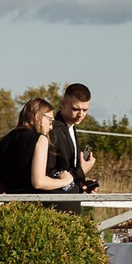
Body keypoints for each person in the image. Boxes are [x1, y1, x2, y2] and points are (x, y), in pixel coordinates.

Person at [0, 98, 71, 196]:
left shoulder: (0, 143)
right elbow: (39, 182)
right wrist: (65, 181)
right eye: (50, 120)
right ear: (37, 116)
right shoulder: (40, 139)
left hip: (10, 207)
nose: (51, 127)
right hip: (34, 207)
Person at [46, 83, 98, 211]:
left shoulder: (71, 127)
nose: (81, 114)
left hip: (69, 204)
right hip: (55, 208)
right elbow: (49, 173)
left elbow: (66, 171)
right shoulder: (53, 129)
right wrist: (81, 171)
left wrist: (81, 182)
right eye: (76, 109)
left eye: (85, 110)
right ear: (63, 104)